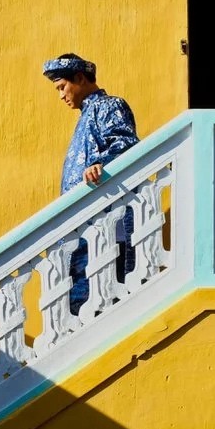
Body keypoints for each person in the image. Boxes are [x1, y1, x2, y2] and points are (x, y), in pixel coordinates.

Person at [43, 53, 140, 314]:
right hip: (85, 227)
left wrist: (103, 164)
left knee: (97, 300)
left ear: (80, 78)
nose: (61, 95)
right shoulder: (87, 115)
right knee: (79, 301)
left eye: (62, 87)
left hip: (103, 225)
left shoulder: (109, 106)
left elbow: (125, 144)